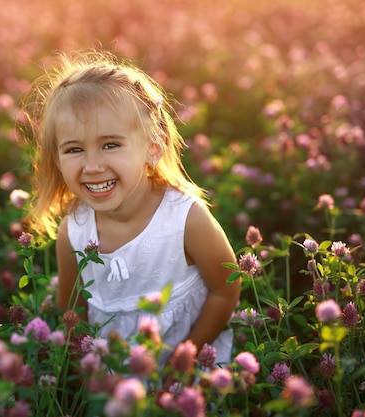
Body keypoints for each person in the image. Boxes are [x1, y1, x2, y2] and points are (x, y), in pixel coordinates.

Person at [25, 50, 241, 367]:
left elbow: (225, 290)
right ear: (57, 160)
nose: (93, 166)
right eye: (74, 149)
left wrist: (185, 358)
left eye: (110, 144)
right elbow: (72, 314)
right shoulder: (73, 231)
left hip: (187, 366)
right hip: (112, 375)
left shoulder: (186, 218)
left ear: (152, 148)